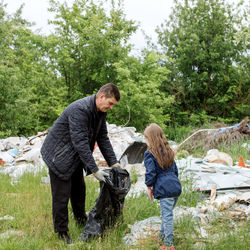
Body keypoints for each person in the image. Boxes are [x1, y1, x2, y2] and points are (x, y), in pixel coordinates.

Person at [41, 83, 121, 244]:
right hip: (58, 156)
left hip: (73, 156)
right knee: (61, 196)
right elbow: (80, 142)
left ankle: (80, 220)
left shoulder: (100, 112)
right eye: (110, 103)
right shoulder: (80, 110)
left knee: (79, 190)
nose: (111, 107)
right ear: (101, 97)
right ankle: (62, 233)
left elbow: (103, 138)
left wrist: (114, 163)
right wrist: (95, 170)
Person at [143, 123, 182, 250]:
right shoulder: (169, 151)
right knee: (167, 214)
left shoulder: (150, 153)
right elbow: (175, 171)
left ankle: (169, 244)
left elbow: (151, 173)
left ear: (150, 138)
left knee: (167, 217)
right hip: (175, 187)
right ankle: (161, 236)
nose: (146, 141)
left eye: (146, 138)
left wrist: (149, 187)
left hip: (164, 189)